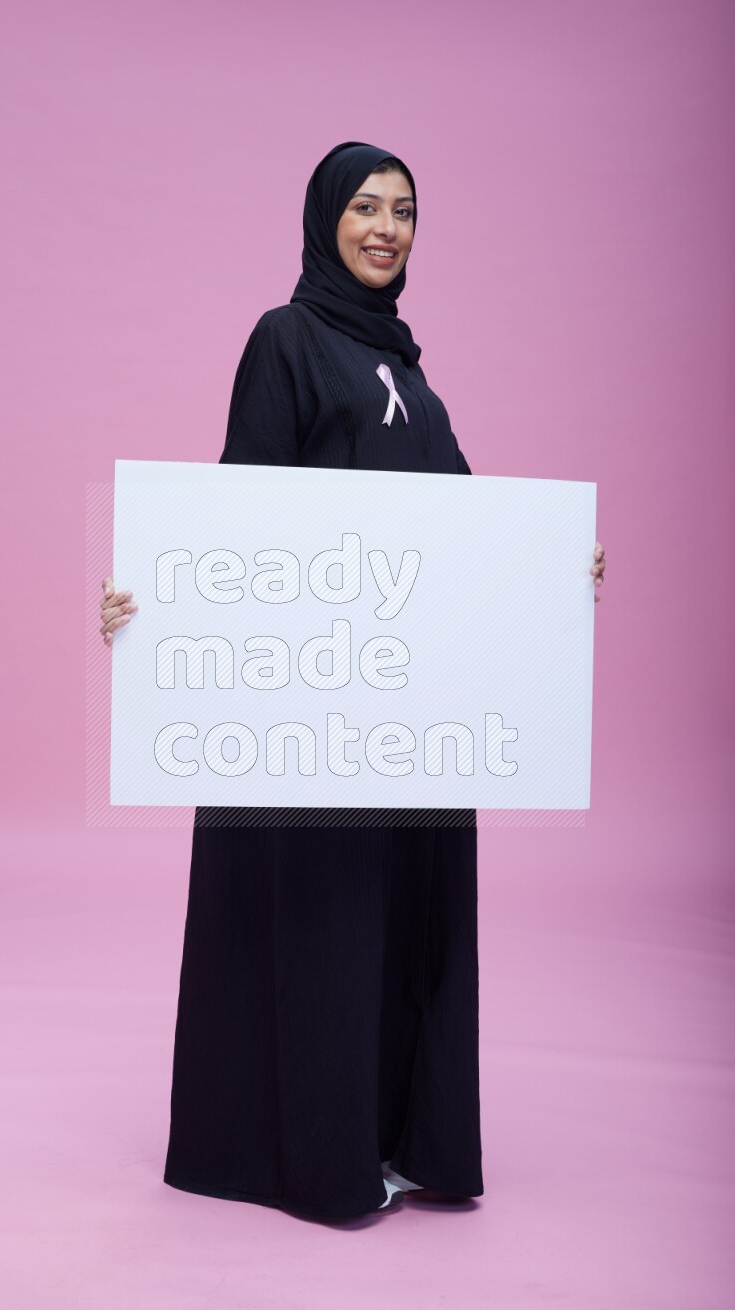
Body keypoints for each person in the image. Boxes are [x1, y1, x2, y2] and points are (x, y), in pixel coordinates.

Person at [99, 141, 607, 1222]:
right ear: (324, 217)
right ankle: (306, 1156)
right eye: (365, 207)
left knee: (402, 917)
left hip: (413, 720)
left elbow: (471, 528)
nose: (385, 228)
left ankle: (394, 1138)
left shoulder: (411, 375)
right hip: (314, 714)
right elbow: (239, 521)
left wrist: (556, 566)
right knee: (325, 923)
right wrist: (153, 607)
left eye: (405, 212)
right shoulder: (284, 340)